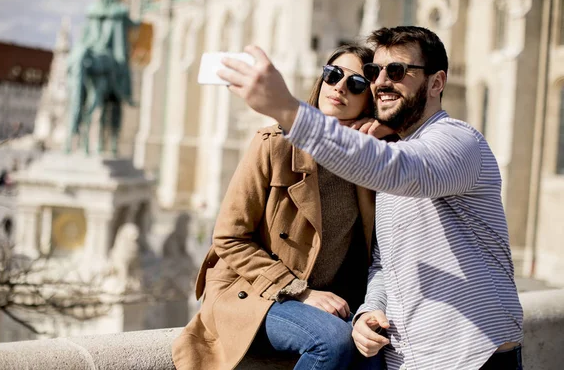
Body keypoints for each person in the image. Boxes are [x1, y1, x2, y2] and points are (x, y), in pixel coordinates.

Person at [217, 26, 524, 370]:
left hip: (472, 356)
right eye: (375, 72)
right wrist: (367, 312)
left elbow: (400, 170)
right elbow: (384, 263)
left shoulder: (459, 142)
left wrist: (290, 111)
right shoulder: (392, 154)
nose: (381, 82)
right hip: (411, 358)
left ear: (436, 83)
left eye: (397, 71)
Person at [173, 44, 391, 370]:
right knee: (331, 342)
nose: (340, 87)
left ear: (368, 99)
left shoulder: (372, 159)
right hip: (255, 292)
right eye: (333, 75)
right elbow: (229, 237)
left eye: (356, 84)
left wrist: (386, 130)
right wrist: (300, 292)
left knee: (375, 352)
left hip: (329, 300)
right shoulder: (274, 143)